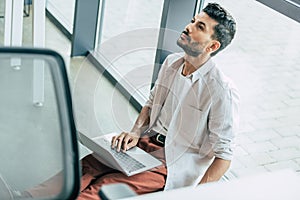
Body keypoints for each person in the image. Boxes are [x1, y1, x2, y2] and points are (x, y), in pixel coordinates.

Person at [24, 2, 239, 200]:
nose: (188, 27)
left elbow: (224, 157)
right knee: (86, 165)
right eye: (193, 21)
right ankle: (26, 197)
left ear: (212, 46)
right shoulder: (172, 63)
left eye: (200, 27)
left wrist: (196, 196)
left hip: (171, 164)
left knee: (104, 187)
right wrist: (135, 132)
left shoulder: (221, 90)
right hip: (145, 144)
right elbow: (151, 102)